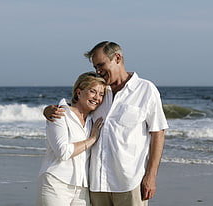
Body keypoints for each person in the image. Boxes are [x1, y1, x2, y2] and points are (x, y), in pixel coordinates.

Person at [44, 41, 168, 206]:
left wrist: (151, 177)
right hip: (96, 183)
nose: (98, 71)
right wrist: (47, 110)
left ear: (117, 58)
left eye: (101, 65)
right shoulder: (101, 91)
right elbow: (76, 109)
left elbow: (158, 133)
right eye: (95, 67)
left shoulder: (146, 90)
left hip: (129, 182)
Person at [37, 72, 107, 206]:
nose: (97, 98)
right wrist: (92, 139)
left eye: (101, 94)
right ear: (79, 92)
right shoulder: (60, 114)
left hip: (82, 187)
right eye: (92, 91)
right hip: (55, 182)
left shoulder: (93, 120)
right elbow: (63, 152)